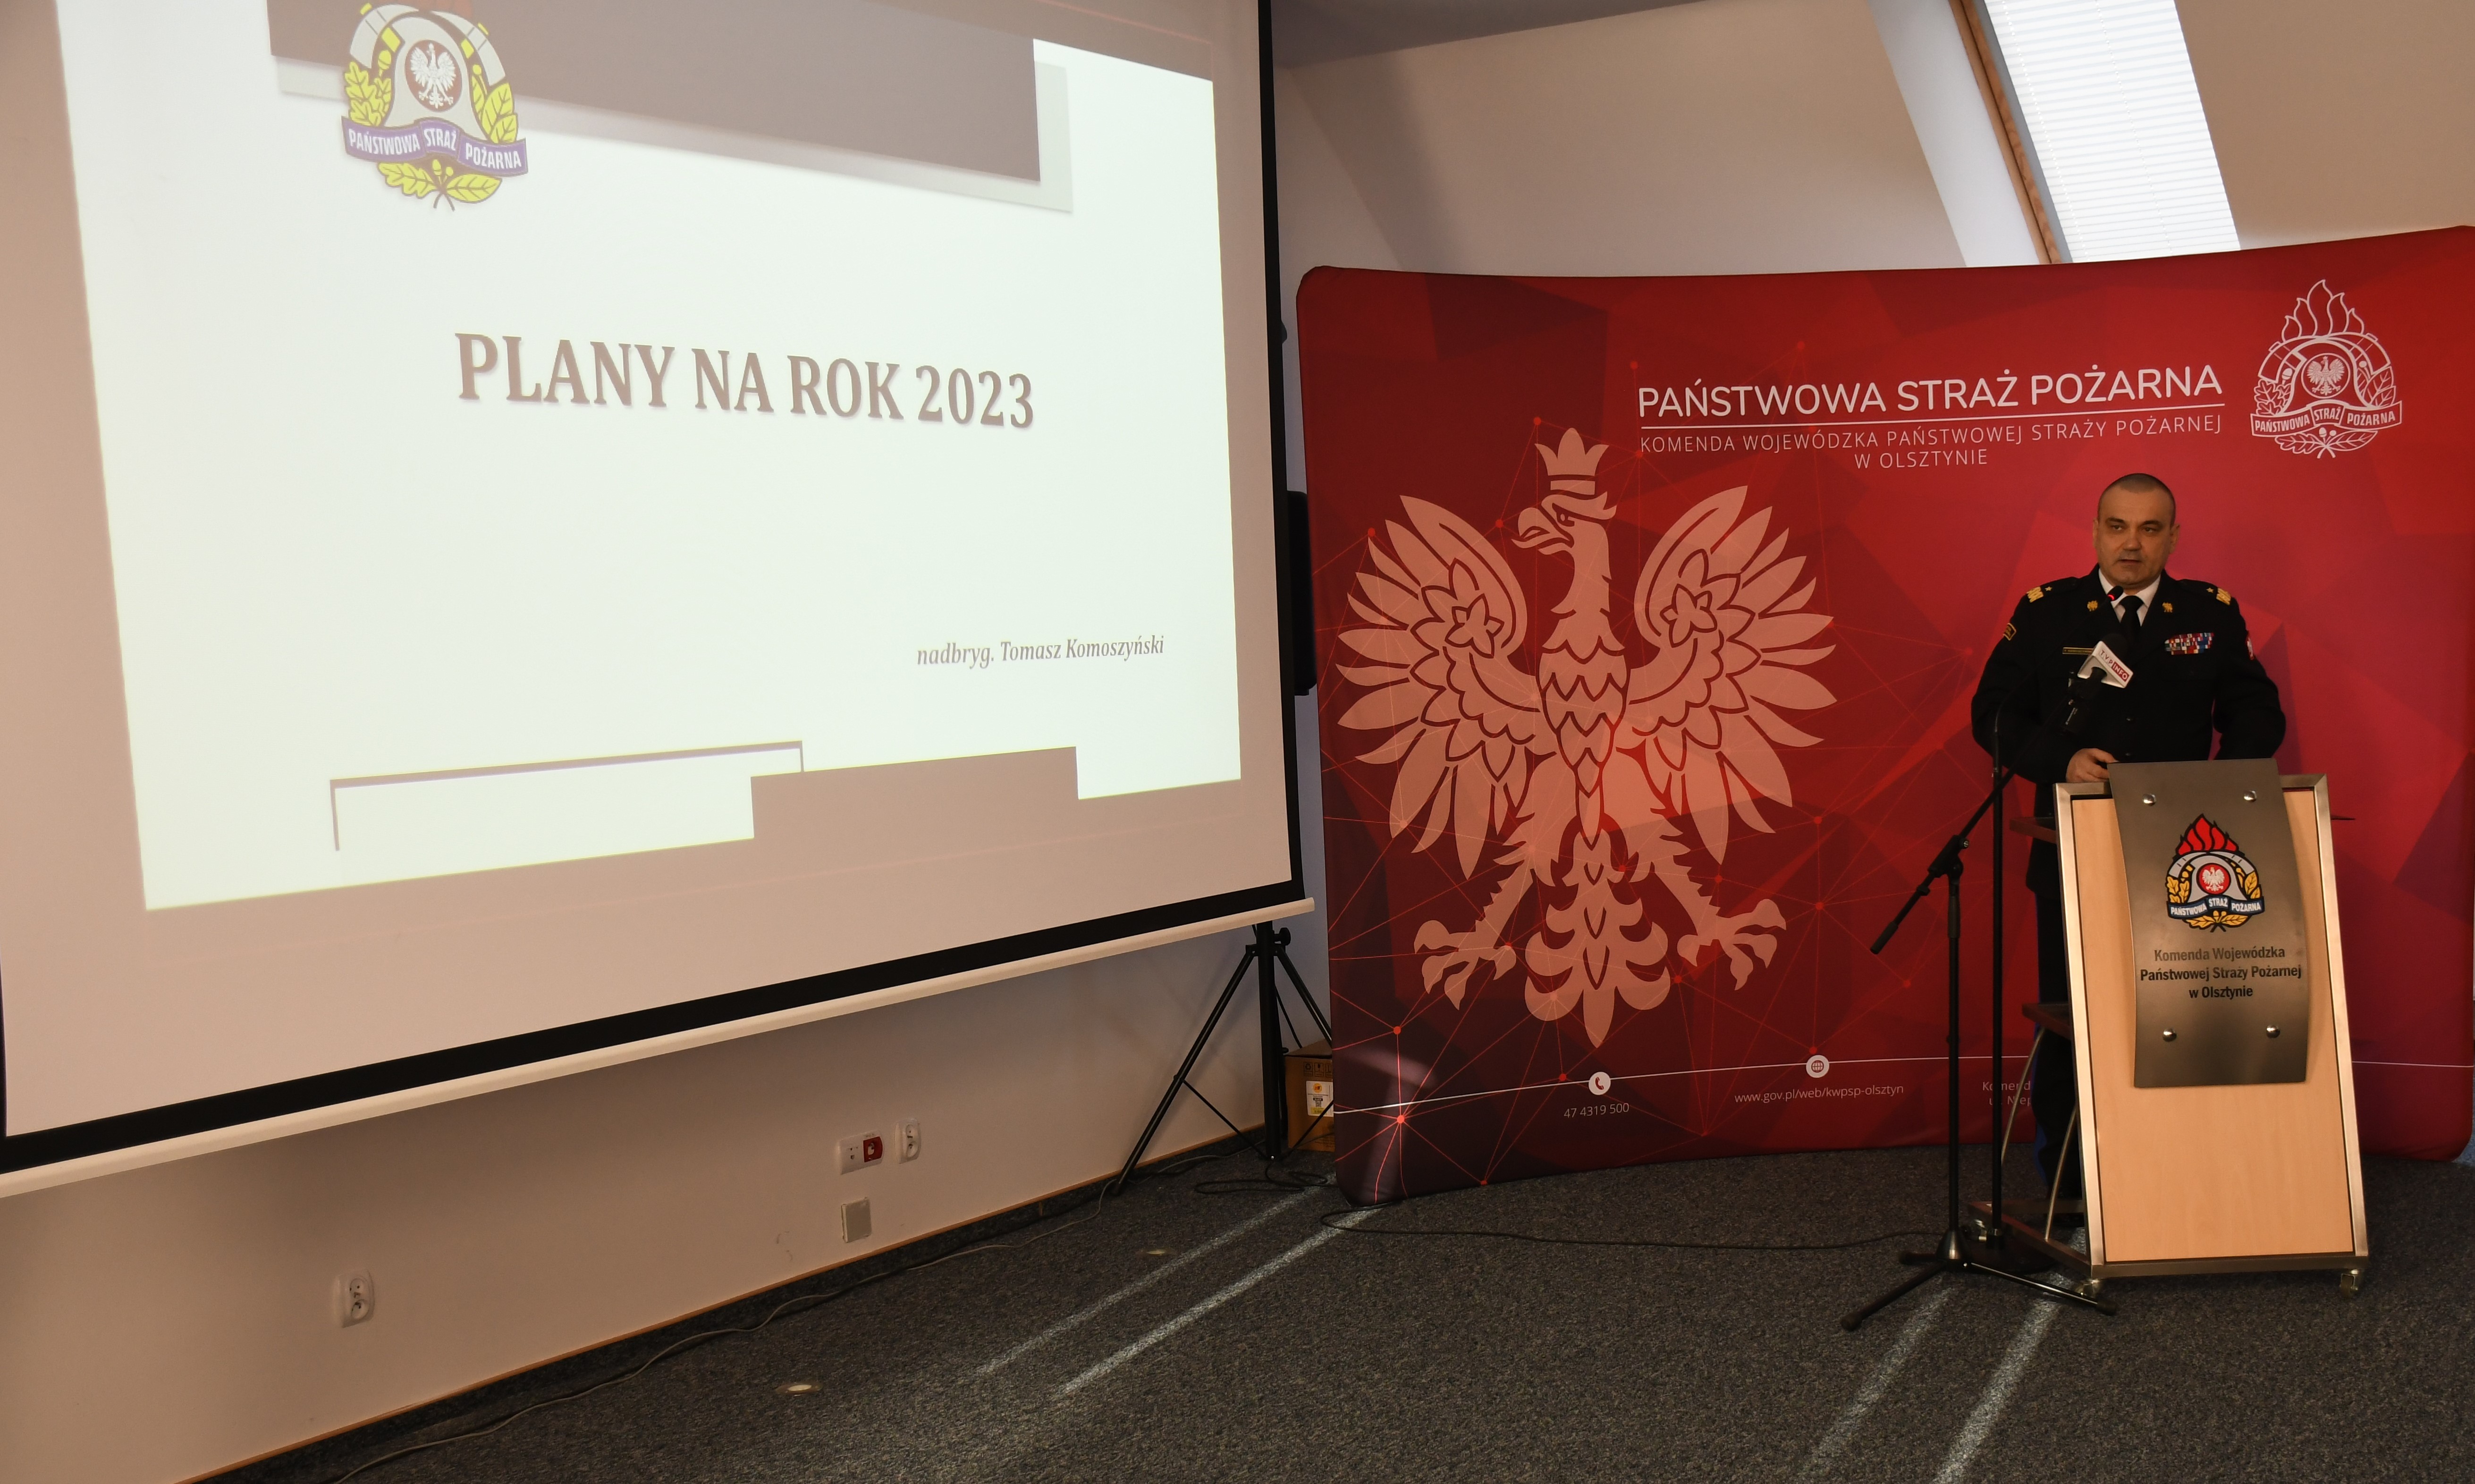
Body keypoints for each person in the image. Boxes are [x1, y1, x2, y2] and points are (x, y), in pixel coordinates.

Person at [1969, 472, 2285, 1208]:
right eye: (2118, 527)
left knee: (2178, 1018)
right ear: (2095, 532)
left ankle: (2178, 1176)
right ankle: (2070, 1182)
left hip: (2184, 860)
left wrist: (2217, 787)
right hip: (2072, 849)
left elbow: (2258, 711)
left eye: (2149, 529)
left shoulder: (2208, 613)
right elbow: (1993, 716)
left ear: (2173, 537)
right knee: (2074, 1017)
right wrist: (2063, 761)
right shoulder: (2048, 613)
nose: (2132, 544)